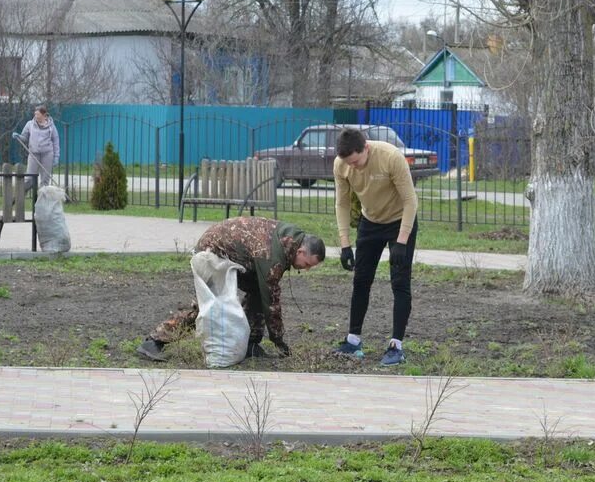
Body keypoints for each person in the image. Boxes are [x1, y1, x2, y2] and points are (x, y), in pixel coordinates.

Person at [136, 217, 326, 362]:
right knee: (208, 304)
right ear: (300, 251)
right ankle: (154, 341)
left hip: (235, 253)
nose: (306, 268)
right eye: (307, 263)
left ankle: (251, 344)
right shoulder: (273, 256)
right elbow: (272, 304)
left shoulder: (290, 239)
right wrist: (280, 342)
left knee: (258, 292)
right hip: (212, 252)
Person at [333, 127, 419, 366]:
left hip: (400, 221)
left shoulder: (391, 157)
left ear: (366, 149)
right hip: (369, 222)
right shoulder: (342, 165)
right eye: (349, 163)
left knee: (400, 282)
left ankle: (396, 346)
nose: (354, 167)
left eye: (357, 161)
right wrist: (344, 245)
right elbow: (341, 203)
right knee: (361, 280)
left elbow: (411, 200)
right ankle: (353, 341)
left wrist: (401, 242)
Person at [14, 105, 60, 189]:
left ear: (44, 115)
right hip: (33, 154)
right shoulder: (30, 124)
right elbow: (24, 138)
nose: (36, 116)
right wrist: (19, 137)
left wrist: (56, 156)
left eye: (38, 114)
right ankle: (19, 197)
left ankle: (42, 200)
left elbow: (56, 142)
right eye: (35, 114)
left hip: (47, 154)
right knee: (29, 178)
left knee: (45, 180)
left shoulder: (51, 127)